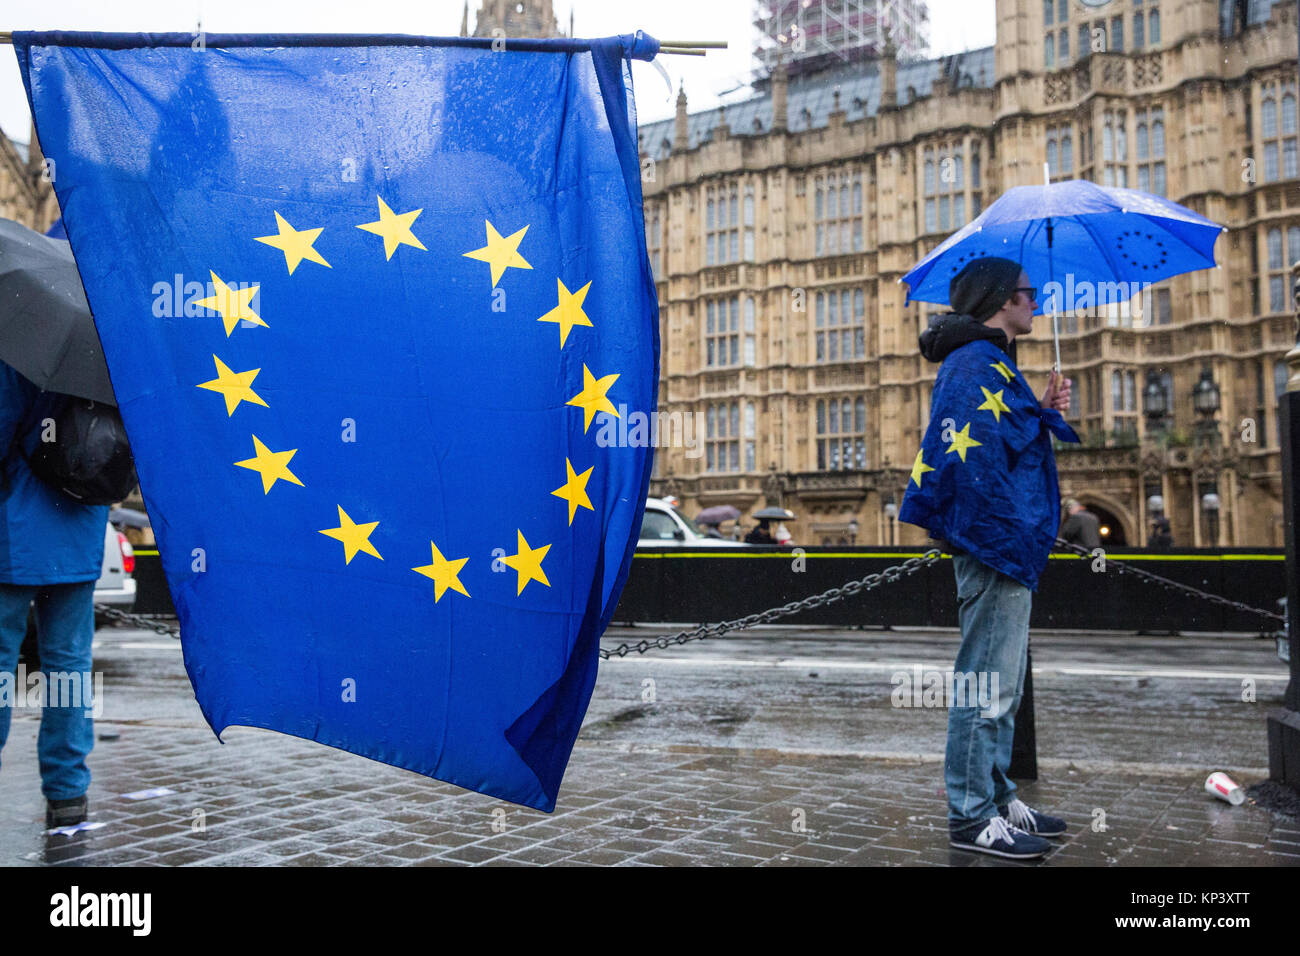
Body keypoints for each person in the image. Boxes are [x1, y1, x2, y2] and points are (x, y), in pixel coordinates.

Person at [899, 256, 1080, 860]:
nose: (1037, 303)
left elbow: (1004, 443)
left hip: (1006, 544)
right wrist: (1004, 534)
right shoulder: (975, 363)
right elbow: (966, 462)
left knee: (1001, 687)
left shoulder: (992, 363)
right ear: (1003, 299)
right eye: (1029, 293)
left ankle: (999, 800)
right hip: (995, 544)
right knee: (985, 686)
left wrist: (1041, 409)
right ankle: (972, 815)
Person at [0, 360, 108, 829]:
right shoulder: (103, 349)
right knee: (69, 666)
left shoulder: (17, 347)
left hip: (14, 530)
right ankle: (68, 793)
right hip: (80, 528)